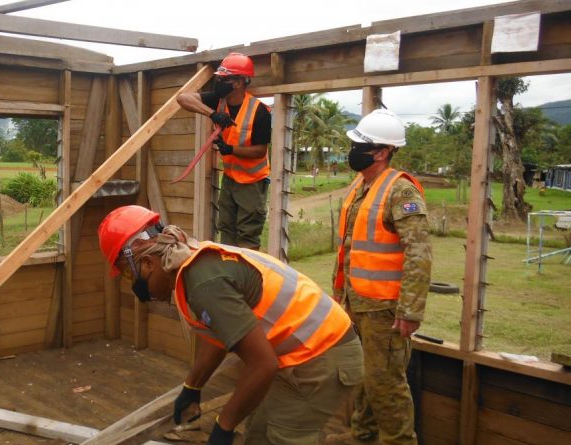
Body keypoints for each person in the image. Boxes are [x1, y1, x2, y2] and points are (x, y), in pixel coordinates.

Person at [98, 205, 364, 445]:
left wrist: (223, 426)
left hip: (325, 360)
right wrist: (192, 387)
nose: (132, 284)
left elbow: (263, 364)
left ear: (147, 262)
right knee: (258, 433)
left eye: (127, 273)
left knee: (283, 436)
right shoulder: (194, 263)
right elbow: (221, 334)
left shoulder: (204, 284)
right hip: (307, 356)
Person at [328, 109, 432, 445]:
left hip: (385, 309)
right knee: (366, 378)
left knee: (386, 385)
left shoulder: (400, 191)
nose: (353, 150)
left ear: (383, 152)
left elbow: (419, 252)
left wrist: (410, 310)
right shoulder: (361, 185)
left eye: (362, 145)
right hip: (356, 302)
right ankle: (362, 436)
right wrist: (340, 297)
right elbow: (350, 247)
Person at [177, 52, 271, 250]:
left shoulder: (259, 111)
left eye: (223, 79)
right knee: (226, 229)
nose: (218, 82)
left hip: (252, 182)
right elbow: (183, 98)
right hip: (230, 179)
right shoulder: (219, 101)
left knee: (248, 235)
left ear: (238, 82)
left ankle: (246, 275)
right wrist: (212, 114)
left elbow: (260, 151)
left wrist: (230, 149)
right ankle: (228, 272)